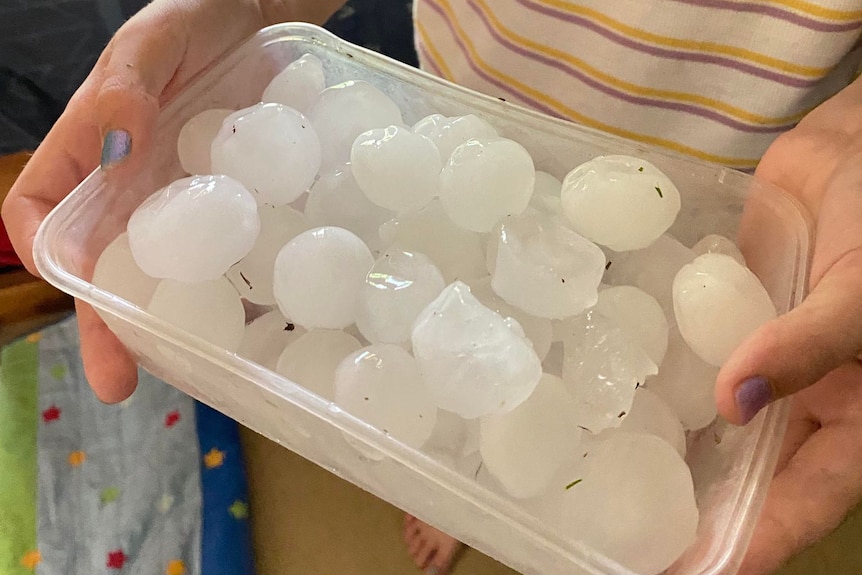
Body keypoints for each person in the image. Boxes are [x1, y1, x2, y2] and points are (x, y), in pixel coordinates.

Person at [3, 1, 862, 574]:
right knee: (430, 426)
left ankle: (475, 466)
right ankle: (464, 474)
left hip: (749, 169)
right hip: (463, 115)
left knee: (503, 364)